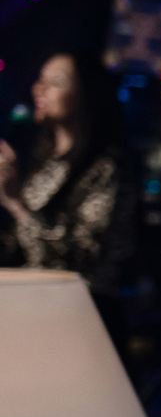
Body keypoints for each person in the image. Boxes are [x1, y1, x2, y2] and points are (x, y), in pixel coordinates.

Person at [0, 51, 124, 291]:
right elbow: (15, 248)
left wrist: (15, 205)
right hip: (32, 298)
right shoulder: (42, 159)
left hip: (81, 304)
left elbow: (77, 263)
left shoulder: (105, 168)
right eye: (40, 80)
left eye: (56, 82)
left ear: (84, 94)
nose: (39, 89)